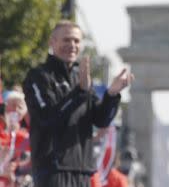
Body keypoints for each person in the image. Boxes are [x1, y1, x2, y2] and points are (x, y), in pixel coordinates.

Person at [22, 20, 134, 187]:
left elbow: (100, 120)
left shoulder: (80, 79)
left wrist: (112, 94)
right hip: (53, 171)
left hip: (82, 172)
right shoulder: (38, 76)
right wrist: (80, 92)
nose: (72, 45)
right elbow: (48, 118)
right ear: (52, 42)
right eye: (66, 40)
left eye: (76, 41)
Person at [0, 91, 31, 187]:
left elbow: (41, 148)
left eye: (20, 107)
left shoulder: (21, 135)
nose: (16, 110)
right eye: (13, 106)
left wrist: (18, 165)